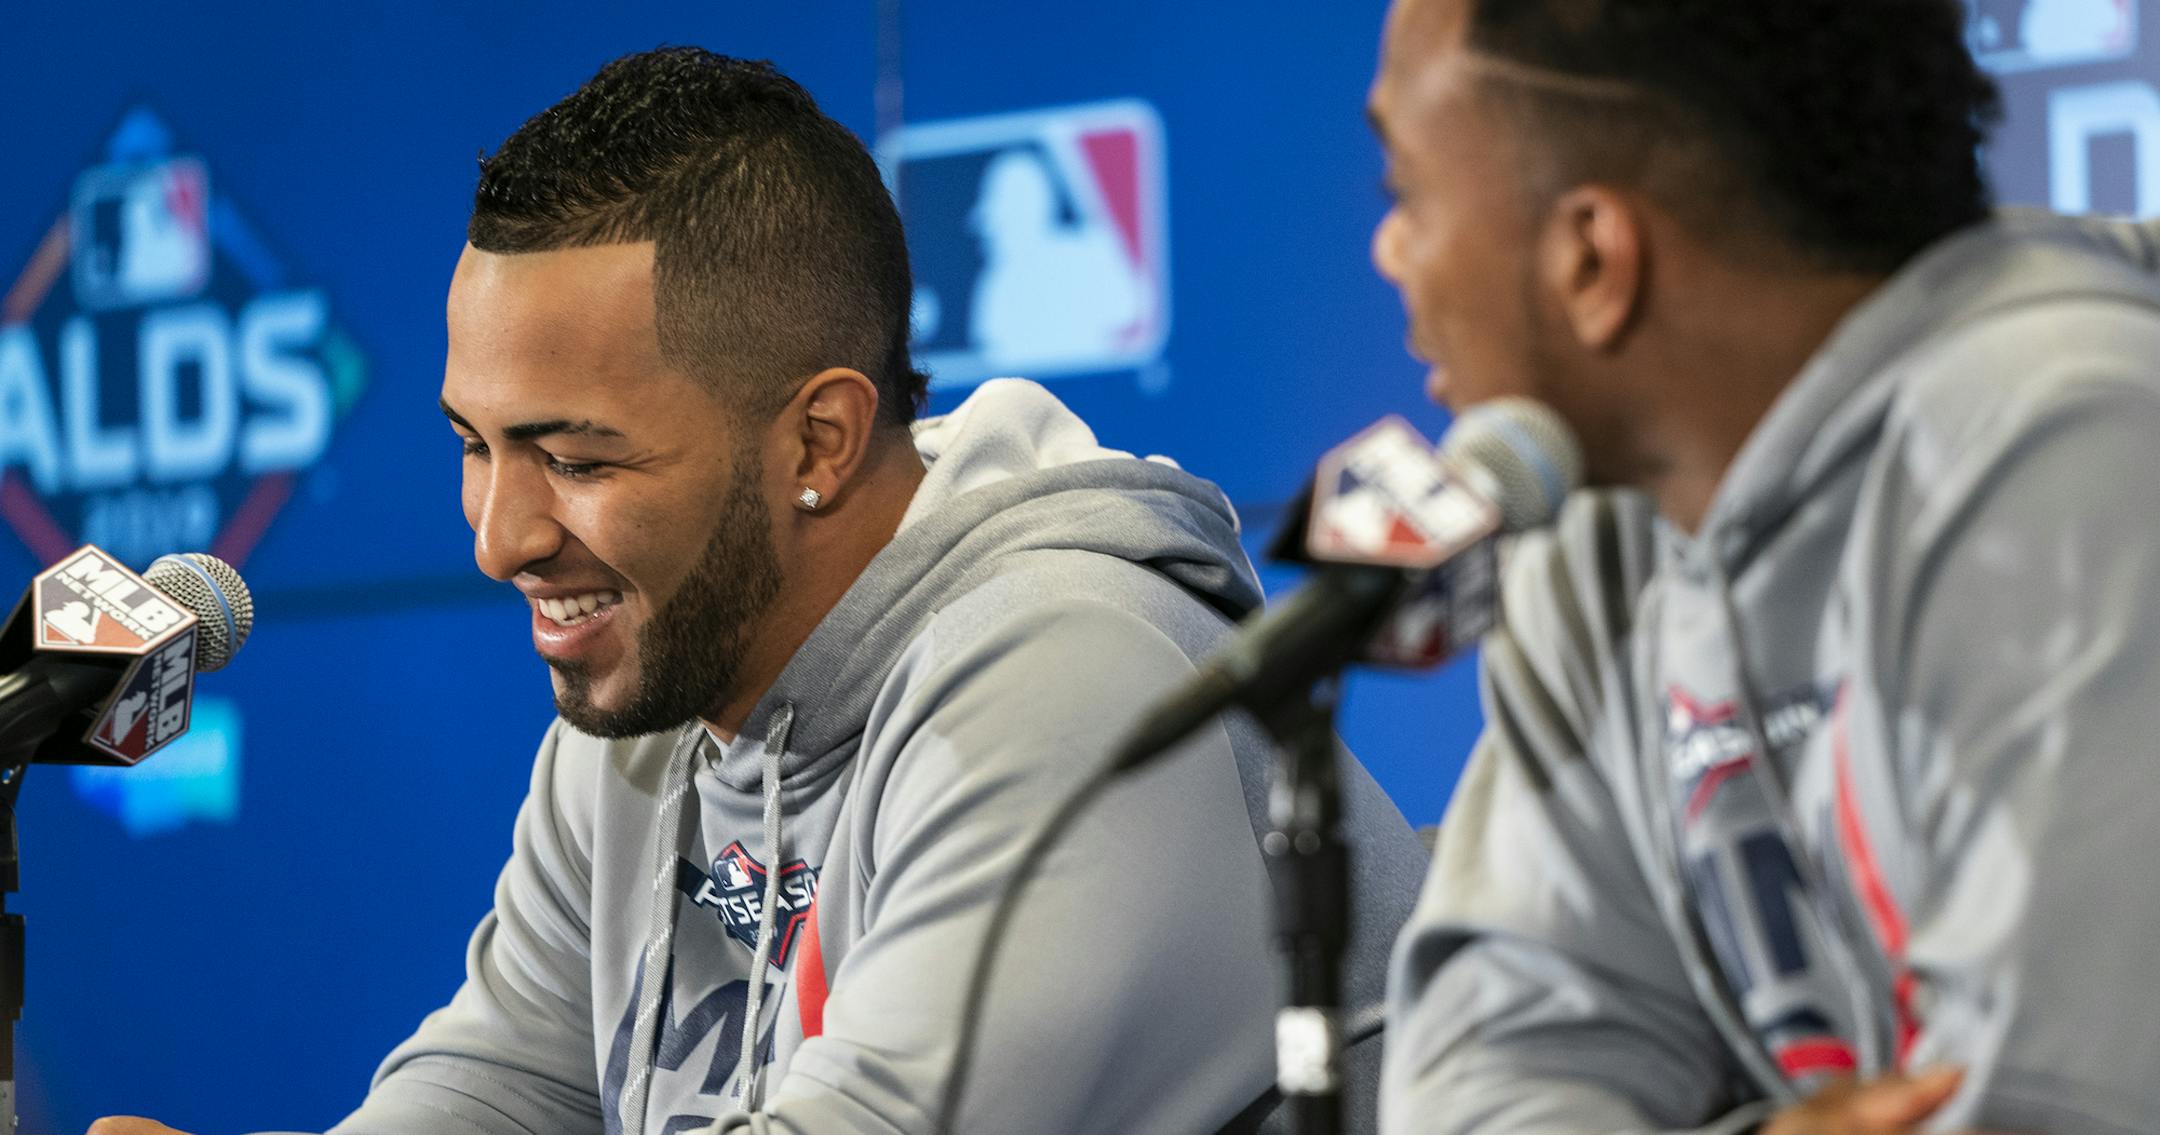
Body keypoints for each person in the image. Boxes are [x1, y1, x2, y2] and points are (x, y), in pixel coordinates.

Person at [90, 48, 1426, 1135]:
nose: (499, 538)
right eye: (473, 444)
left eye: (575, 456)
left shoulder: (1078, 674)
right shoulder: (648, 702)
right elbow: (503, 1083)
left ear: (818, 443)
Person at [1366, 1, 2160, 1132]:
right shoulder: (1595, 537)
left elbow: (2065, 1109)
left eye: (1407, 194)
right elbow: (1483, 1083)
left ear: (1592, 256)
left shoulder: (2070, 448)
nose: (1388, 251)